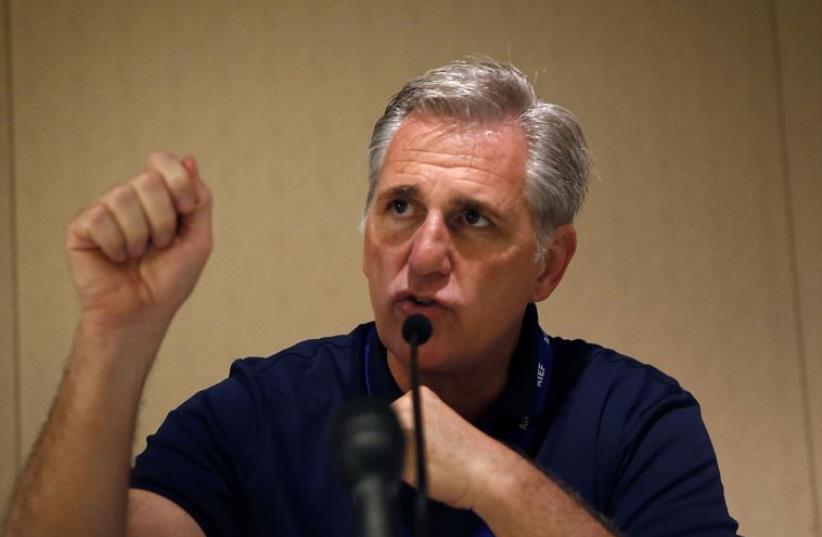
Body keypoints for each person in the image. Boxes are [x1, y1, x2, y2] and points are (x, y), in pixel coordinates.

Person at [3, 60, 739, 537]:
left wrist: (496, 479)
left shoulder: (637, 418)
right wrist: (114, 332)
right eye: (399, 209)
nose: (422, 254)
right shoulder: (262, 410)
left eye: (473, 218)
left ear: (548, 265)